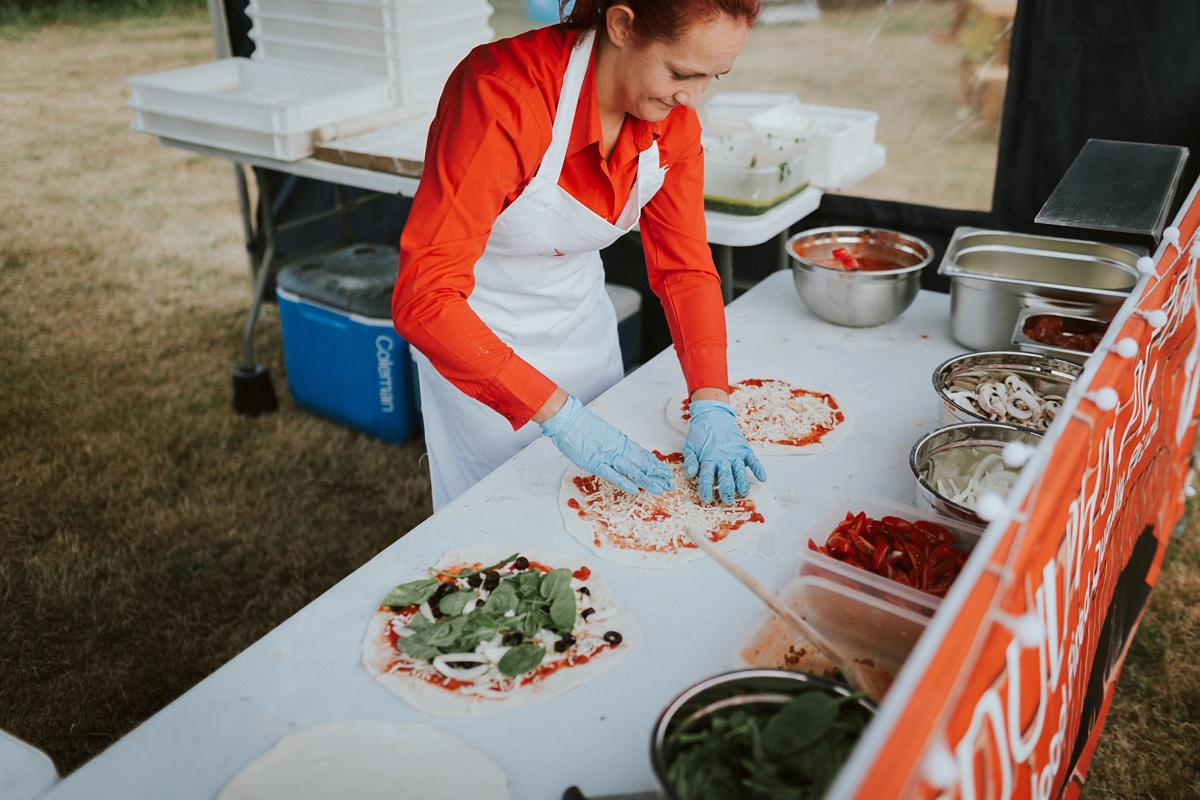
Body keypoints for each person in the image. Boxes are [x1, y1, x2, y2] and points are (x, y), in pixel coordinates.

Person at [393, 0, 768, 512]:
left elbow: (685, 270)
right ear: (621, 25)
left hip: (584, 330)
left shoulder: (673, 122)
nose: (692, 97)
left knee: (614, 516)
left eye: (713, 78)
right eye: (681, 72)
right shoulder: (502, 95)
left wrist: (711, 399)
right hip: (479, 347)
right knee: (503, 523)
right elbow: (425, 298)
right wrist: (560, 416)